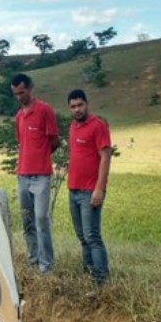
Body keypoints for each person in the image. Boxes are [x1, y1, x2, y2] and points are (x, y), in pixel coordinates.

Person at [11, 73, 59, 273]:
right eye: (15, 94)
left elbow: (54, 141)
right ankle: (32, 261)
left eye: (22, 92)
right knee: (27, 221)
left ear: (30, 88)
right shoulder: (19, 116)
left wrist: (40, 157)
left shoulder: (45, 110)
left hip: (41, 175)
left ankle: (46, 266)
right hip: (22, 175)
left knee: (41, 219)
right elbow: (21, 144)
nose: (19, 97)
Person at [66, 89, 112, 288]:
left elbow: (105, 156)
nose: (77, 109)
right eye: (73, 106)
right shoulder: (73, 127)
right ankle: (88, 275)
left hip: (89, 191)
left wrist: (99, 189)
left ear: (87, 104)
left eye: (80, 105)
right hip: (73, 189)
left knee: (92, 236)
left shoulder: (97, 125)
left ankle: (101, 281)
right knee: (82, 237)